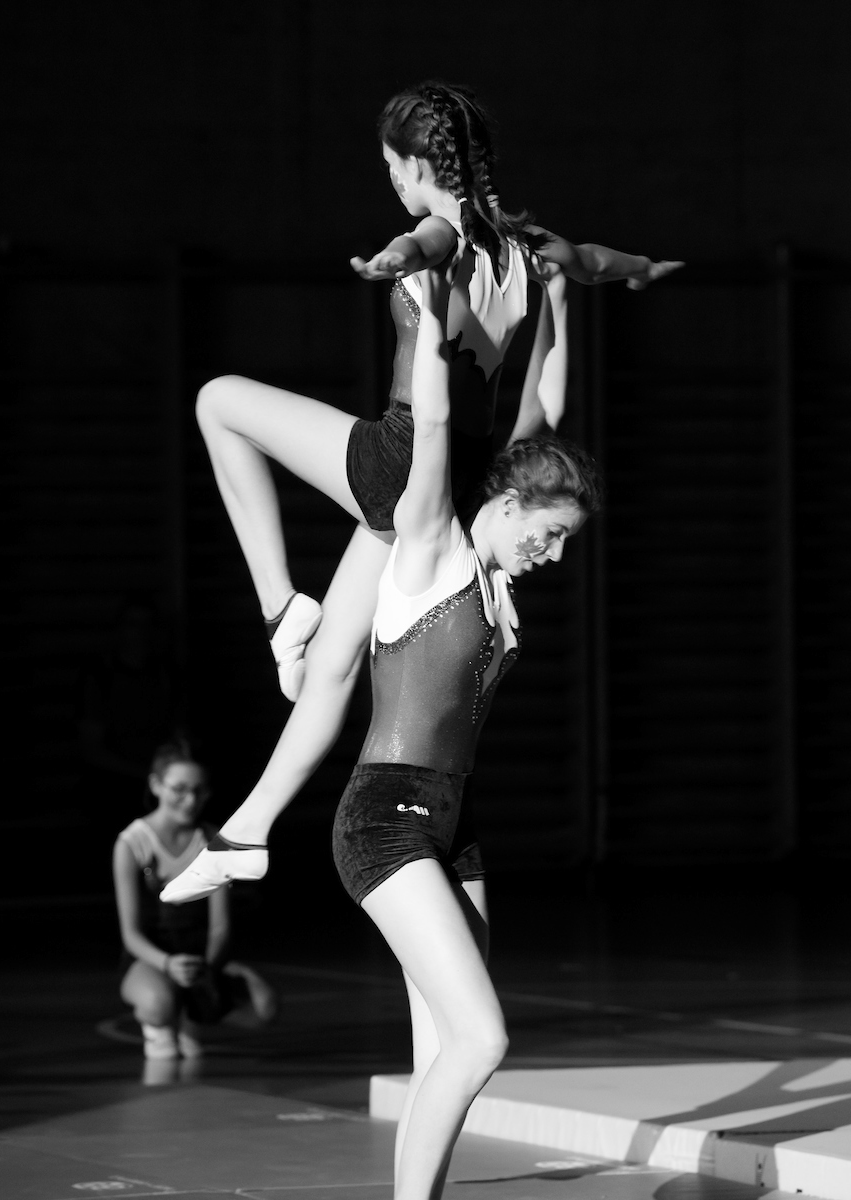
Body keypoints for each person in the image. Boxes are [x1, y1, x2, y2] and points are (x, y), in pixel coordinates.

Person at [165, 81, 675, 901]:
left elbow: (425, 241)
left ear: (418, 166)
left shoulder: (440, 233)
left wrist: (393, 260)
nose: (393, 183)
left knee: (218, 401)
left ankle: (276, 605)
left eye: (392, 169)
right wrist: (640, 268)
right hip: (459, 475)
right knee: (332, 665)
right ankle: (247, 832)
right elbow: (589, 265)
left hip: (402, 456)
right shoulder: (530, 247)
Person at [348, 251, 599, 1198]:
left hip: (455, 826)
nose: (553, 554)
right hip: (383, 820)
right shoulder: (433, 547)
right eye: (549, 533)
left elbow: (545, 410)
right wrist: (422, 312)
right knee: (483, 1038)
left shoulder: (495, 578)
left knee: (443, 1054)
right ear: (504, 503)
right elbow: (438, 423)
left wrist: (558, 304)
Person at [113, 740, 278, 1061]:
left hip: (201, 957)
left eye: (199, 791)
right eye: (179, 789)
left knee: (265, 1006)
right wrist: (167, 965)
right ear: (156, 785)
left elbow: (220, 928)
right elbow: (130, 934)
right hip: (151, 958)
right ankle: (162, 1025)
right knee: (157, 1003)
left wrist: (206, 971)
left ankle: (192, 1015)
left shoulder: (214, 840)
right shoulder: (131, 843)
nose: (190, 800)